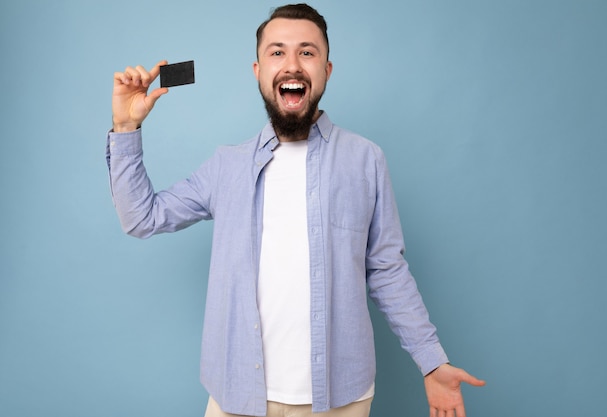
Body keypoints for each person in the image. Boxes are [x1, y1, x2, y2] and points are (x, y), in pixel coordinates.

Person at [106, 3, 485, 417]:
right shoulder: (226, 166)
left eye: (307, 52)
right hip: (236, 395)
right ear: (257, 71)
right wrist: (126, 129)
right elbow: (141, 217)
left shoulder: (365, 160)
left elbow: (386, 270)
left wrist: (431, 360)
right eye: (277, 52)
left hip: (341, 399)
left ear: (327, 70)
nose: (292, 65)